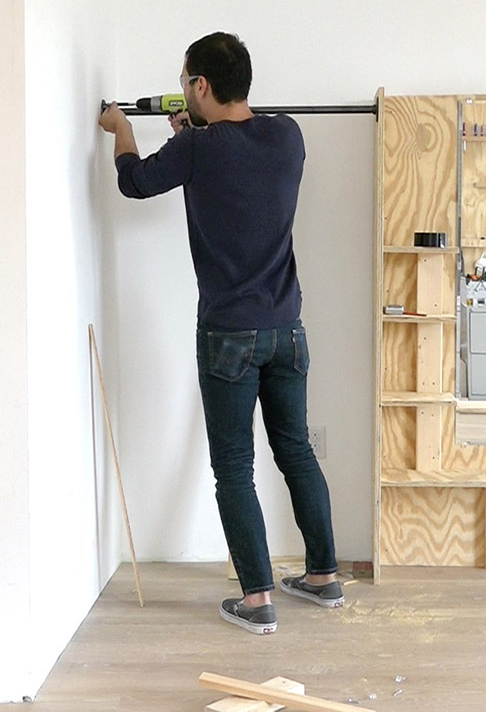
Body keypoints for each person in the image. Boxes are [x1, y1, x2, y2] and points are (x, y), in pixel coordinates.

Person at [99, 31, 344, 635]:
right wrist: (194, 137)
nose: (185, 89)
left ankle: (258, 600)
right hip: (287, 329)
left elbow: (134, 181)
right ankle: (323, 578)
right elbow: (241, 173)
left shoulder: (201, 151)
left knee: (234, 466)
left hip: (229, 335)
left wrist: (121, 130)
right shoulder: (288, 135)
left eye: (187, 81)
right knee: (296, 451)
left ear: (200, 85)